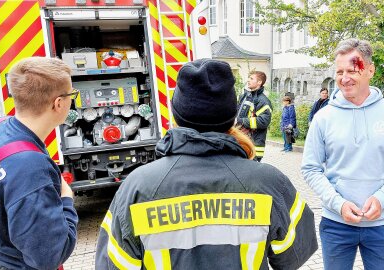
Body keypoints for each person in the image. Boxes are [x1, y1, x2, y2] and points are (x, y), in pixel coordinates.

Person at [96, 59, 317, 269]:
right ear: (232, 117)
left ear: (176, 116)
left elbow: (112, 264)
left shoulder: (137, 187)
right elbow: (294, 255)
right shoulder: (270, 182)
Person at [0, 57, 78, 269]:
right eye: (72, 94)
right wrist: (66, 199)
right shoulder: (31, 169)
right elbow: (50, 257)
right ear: (59, 103)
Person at [302, 38, 384, 270]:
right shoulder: (323, 118)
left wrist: (381, 199)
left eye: (352, 70)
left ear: (370, 70)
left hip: (381, 225)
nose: (344, 78)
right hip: (336, 224)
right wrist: (338, 204)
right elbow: (310, 168)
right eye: (339, 71)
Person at [236, 71, 272, 162]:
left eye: (251, 78)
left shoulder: (263, 101)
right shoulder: (245, 97)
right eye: (248, 78)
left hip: (254, 146)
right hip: (242, 142)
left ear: (259, 82)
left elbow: (264, 121)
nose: (248, 80)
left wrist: (240, 121)